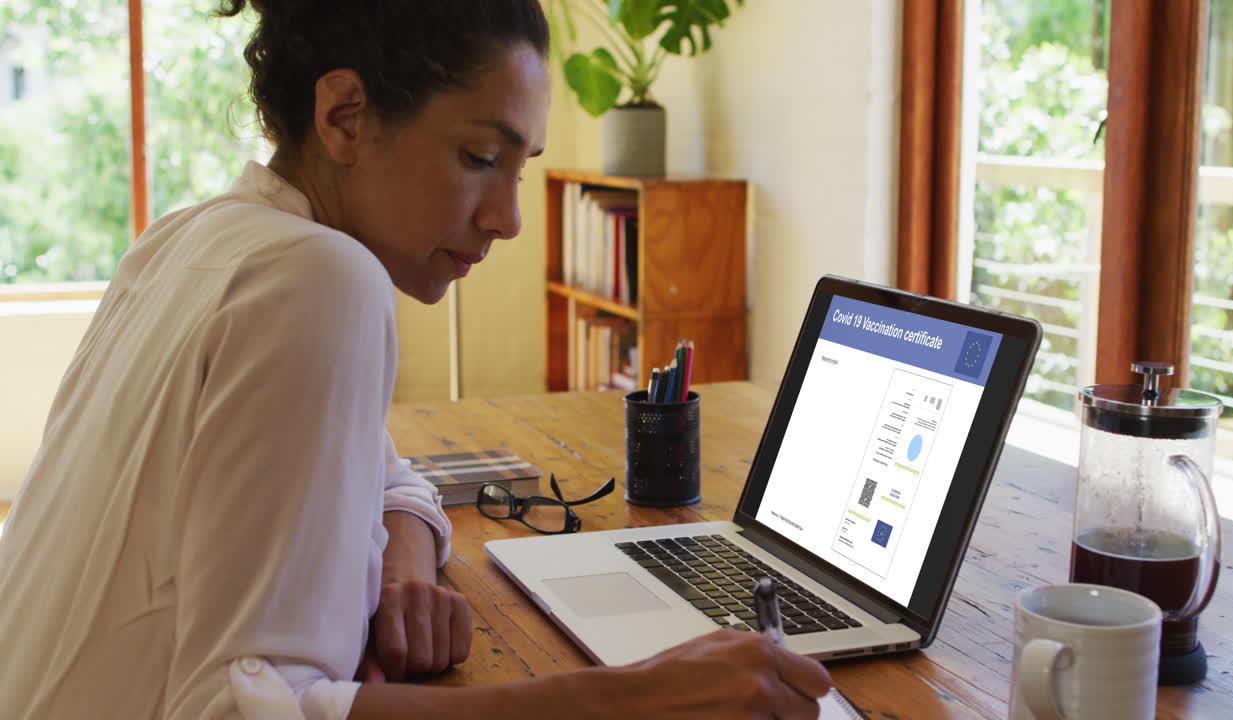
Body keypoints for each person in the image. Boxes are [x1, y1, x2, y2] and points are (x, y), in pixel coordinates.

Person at [0, 2, 832, 718]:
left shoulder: (186, 239)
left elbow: (386, 469)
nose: (507, 218)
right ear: (345, 117)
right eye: (479, 159)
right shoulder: (321, 277)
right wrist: (639, 697)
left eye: (520, 168)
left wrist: (403, 566)